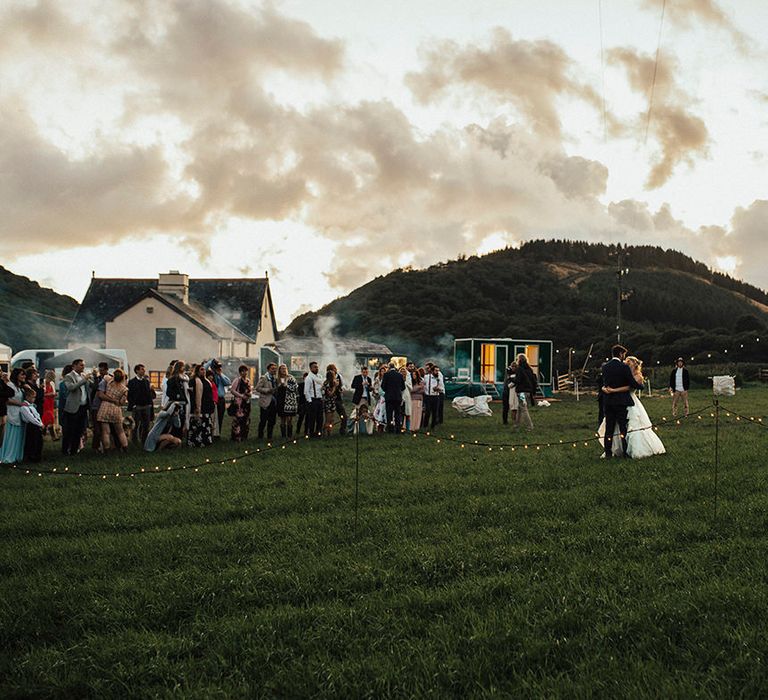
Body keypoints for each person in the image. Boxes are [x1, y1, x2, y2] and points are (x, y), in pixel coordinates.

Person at [600, 356, 666, 458]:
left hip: (630, 401)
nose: (626, 362)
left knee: (632, 425)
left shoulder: (638, 376)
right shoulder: (625, 372)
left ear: (635, 363)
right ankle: (619, 449)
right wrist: (605, 387)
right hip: (621, 401)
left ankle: (633, 449)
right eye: (626, 361)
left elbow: (629, 387)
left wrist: (612, 390)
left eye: (629, 361)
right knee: (619, 426)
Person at [599, 345, 643, 458]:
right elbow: (631, 383)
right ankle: (624, 452)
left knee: (609, 427)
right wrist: (640, 386)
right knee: (623, 427)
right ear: (620, 354)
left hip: (608, 401)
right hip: (621, 401)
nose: (624, 356)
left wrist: (605, 388)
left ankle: (608, 452)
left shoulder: (605, 367)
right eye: (623, 354)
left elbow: (603, 382)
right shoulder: (624, 367)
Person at [61, 360, 93, 456]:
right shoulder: (69, 376)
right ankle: (65, 450)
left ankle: (74, 450)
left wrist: (94, 377)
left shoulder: (83, 375)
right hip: (73, 407)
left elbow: (92, 386)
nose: (83, 367)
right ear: (74, 366)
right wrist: (84, 380)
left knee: (79, 430)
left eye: (84, 365)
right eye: (81, 365)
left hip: (83, 406)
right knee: (69, 430)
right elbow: (71, 388)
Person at [97, 368, 129, 452]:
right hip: (116, 409)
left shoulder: (109, 382)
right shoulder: (124, 389)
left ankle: (107, 449)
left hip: (105, 407)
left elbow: (105, 377)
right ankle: (125, 448)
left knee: (106, 432)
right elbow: (122, 402)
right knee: (120, 431)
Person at [0, 368, 27, 463]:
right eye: (22, 374)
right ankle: (8, 455)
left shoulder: (21, 387)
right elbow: (6, 400)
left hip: (19, 413)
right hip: (11, 412)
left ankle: (16, 455)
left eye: (24, 375)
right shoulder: (10, 385)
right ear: (16, 376)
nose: (24, 376)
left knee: (18, 435)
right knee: (11, 435)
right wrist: (20, 404)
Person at [127, 364, 155, 446]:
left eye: (144, 369)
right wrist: (133, 405)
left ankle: (144, 440)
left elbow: (148, 394)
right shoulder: (132, 382)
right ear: (137, 371)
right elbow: (130, 395)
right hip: (137, 406)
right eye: (142, 369)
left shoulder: (146, 381)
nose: (144, 371)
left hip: (146, 406)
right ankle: (134, 441)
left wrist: (150, 404)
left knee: (146, 425)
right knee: (135, 425)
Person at [187, 363, 214, 447]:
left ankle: (205, 441)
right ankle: (195, 442)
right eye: (201, 370)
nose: (204, 371)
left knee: (206, 425)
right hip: (198, 406)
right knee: (196, 425)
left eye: (204, 369)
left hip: (207, 406)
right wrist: (196, 406)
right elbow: (193, 395)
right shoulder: (194, 381)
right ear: (197, 371)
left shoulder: (207, 381)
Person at [205, 359, 231, 438]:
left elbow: (228, 382)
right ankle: (211, 433)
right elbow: (204, 368)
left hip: (221, 399)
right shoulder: (210, 375)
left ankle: (218, 433)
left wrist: (220, 374)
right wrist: (211, 362)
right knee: (213, 417)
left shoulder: (220, 376)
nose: (218, 368)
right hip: (213, 399)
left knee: (220, 417)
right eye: (216, 367)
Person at [165, 361, 188, 439]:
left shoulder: (184, 378)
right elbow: (169, 392)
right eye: (182, 366)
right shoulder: (173, 379)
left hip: (184, 402)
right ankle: (174, 438)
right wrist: (177, 396)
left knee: (182, 420)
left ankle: (179, 438)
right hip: (176, 403)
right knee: (176, 422)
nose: (184, 368)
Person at [21, 385, 44, 462]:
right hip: (31, 426)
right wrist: (39, 424)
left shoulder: (32, 406)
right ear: (27, 397)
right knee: (32, 441)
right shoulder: (24, 407)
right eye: (33, 397)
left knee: (38, 441)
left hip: (36, 425)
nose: (34, 399)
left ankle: (37, 456)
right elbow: (30, 418)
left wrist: (40, 423)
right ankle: (31, 456)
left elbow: (37, 415)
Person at [380, 363, 405, 433]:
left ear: (389, 367)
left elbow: (383, 386)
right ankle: (398, 430)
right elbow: (403, 387)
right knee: (397, 414)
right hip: (397, 397)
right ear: (394, 367)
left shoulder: (386, 375)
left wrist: (387, 390)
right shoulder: (400, 375)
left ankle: (390, 430)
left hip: (389, 397)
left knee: (389, 414)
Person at [256, 362, 278, 440]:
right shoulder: (264, 377)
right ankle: (260, 436)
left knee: (272, 420)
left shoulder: (275, 378)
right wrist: (268, 390)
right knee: (263, 420)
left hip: (273, 402)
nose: (274, 370)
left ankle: (269, 436)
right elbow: (258, 388)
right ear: (268, 369)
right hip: (265, 402)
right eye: (272, 369)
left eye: (275, 369)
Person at [275, 364, 299, 438]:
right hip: (281, 400)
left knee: (289, 418)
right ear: (279, 370)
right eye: (282, 368)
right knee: (282, 418)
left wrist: (286, 385)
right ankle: (283, 435)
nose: (283, 370)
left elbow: (295, 387)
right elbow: (275, 389)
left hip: (290, 401)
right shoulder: (277, 379)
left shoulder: (291, 378)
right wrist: (279, 385)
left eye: (285, 368)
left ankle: (289, 435)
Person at [230, 365, 252, 442]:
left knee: (246, 419)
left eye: (246, 371)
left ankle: (244, 435)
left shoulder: (248, 381)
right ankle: (236, 436)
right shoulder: (237, 380)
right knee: (238, 420)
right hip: (239, 403)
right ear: (240, 372)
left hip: (246, 402)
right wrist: (241, 396)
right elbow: (232, 390)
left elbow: (250, 390)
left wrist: (249, 394)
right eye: (243, 371)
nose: (245, 373)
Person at [304, 361, 324, 437]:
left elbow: (321, 388)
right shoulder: (309, 378)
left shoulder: (320, 377)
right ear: (311, 368)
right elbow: (306, 391)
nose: (316, 368)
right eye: (315, 367)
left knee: (320, 418)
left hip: (320, 399)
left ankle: (318, 432)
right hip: (312, 400)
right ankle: (311, 433)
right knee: (312, 418)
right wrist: (309, 401)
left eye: (317, 367)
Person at [422, 364, 444, 431]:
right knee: (427, 412)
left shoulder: (439, 378)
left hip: (436, 397)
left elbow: (442, 387)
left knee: (435, 412)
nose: (437, 372)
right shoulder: (426, 377)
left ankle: (433, 426)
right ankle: (425, 425)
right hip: (428, 396)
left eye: (438, 371)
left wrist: (439, 389)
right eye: (436, 370)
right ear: (432, 371)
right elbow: (423, 385)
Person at [327, 363, 348, 435]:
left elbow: (343, 385)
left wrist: (341, 389)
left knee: (344, 416)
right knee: (330, 418)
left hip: (338, 399)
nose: (334, 370)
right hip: (330, 400)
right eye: (333, 369)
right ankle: (328, 432)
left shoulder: (339, 376)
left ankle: (342, 430)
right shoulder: (327, 380)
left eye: (335, 369)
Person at [372, 365, 388, 431]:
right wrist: (377, 392)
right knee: (378, 411)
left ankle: (384, 426)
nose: (383, 372)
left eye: (384, 371)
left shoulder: (387, 378)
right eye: (382, 371)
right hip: (378, 397)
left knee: (384, 411)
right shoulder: (378, 379)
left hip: (385, 396)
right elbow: (375, 387)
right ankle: (377, 425)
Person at [322, 369, 338, 437]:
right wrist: (335, 387)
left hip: (332, 402)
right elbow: (330, 394)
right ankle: (324, 432)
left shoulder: (332, 383)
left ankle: (329, 432)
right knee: (328, 419)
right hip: (328, 403)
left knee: (332, 418)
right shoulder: (327, 384)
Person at [205, 368, 220, 439]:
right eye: (209, 376)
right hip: (209, 403)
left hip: (214, 402)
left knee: (214, 419)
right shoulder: (207, 384)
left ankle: (214, 434)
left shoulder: (213, 383)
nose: (211, 377)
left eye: (212, 376)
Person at [400, 366, 412, 430]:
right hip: (400, 397)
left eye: (404, 371)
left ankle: (408, 428)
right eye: (401, 371)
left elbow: (411, 388)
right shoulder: (398, 378)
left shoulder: (408, 379)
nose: (403, 373)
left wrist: (405, 382)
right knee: (400, 413)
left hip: (407, 397)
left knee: (407, 414)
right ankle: (401, 427)